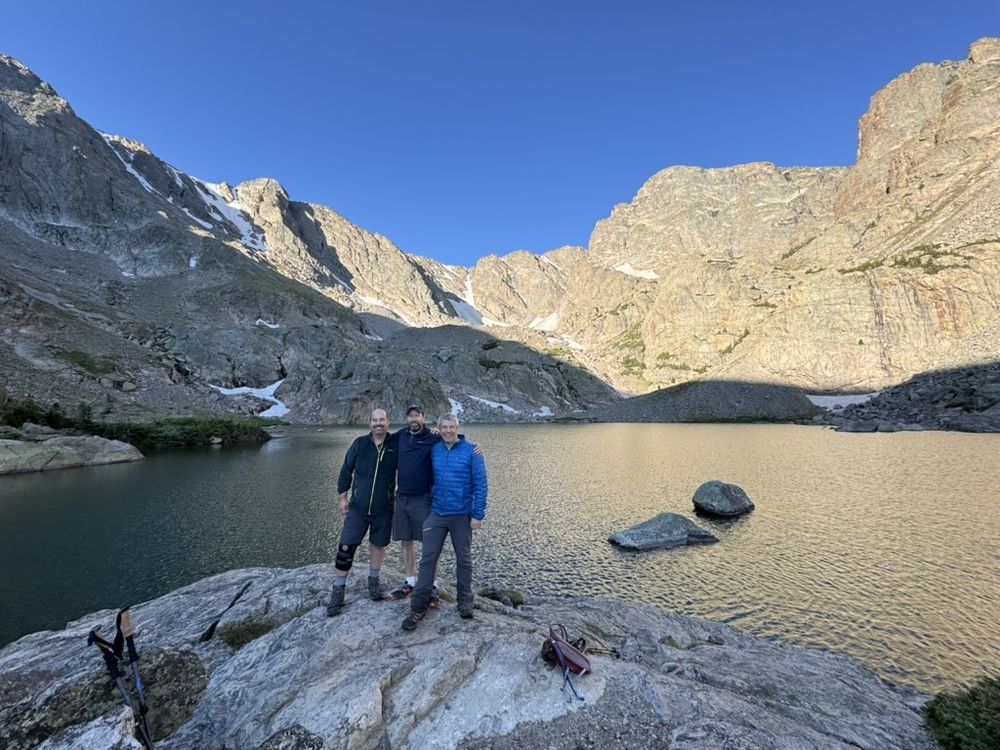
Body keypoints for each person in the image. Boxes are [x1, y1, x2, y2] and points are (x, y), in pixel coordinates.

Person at [402, 412, 487, 630]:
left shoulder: (472, 452)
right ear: (439, 429)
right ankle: (417, 608)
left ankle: (465, 604)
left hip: (461, 515)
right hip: (438, 514)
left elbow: (481, 485)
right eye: (444, 427)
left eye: (452, 427)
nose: (448, 431)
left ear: (458, 427)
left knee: (464, 560)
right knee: (427, 559)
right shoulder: (435, 449)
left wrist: (478, 515)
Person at [327, 408, 398, 616]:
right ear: (370, 423)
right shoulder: (359, 444)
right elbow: (345, 470)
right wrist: (342, 498)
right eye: (374, 420)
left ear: (388, 422)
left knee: (378, 545)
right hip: (357, 508)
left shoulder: (395, 444)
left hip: (384, 509)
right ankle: (338, 592)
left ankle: (373, 584)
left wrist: (437, 434)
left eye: (382, 420)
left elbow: (419, 441)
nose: (378, 424)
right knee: (346, 547)